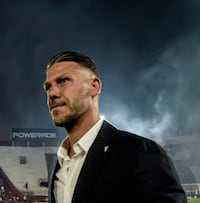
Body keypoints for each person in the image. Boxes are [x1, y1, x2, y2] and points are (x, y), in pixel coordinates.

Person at [44, 51, 186, 203]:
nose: (52, 93)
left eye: (63, 81)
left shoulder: (140, 153)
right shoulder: (57, 167)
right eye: (48, 87)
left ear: (94, 86)